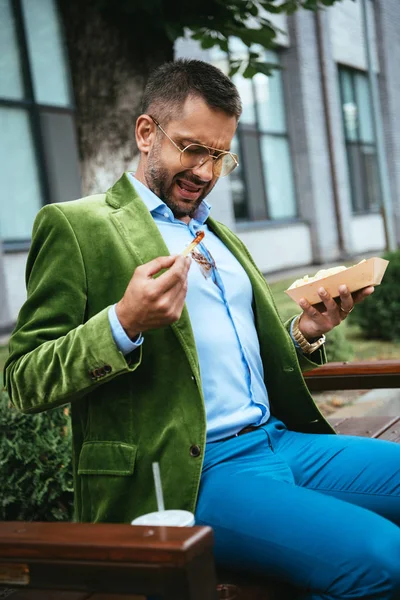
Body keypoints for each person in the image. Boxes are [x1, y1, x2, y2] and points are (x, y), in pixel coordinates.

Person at [5, 59, 400, 600]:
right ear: (147, 133)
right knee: (382, 562)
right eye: (192, 149)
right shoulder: (80, 226)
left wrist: (306, 331)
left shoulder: (214, 231)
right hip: (195, 474)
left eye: (220, 156)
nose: (206, 172)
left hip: (279, 443)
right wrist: (123, 323)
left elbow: (228, 360)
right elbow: (22, 380)